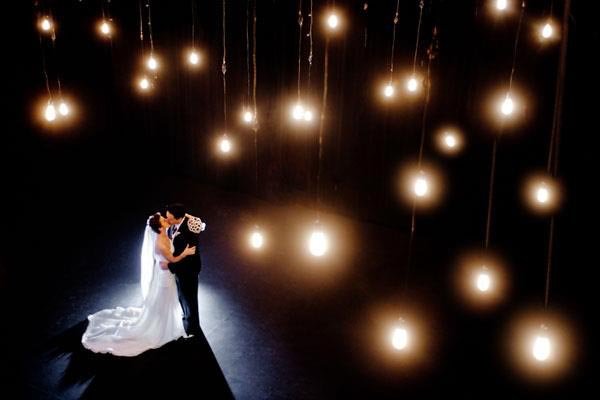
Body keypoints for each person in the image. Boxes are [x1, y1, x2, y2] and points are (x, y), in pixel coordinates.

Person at [81, 213, 196, 356]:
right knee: (165, 300)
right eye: (163, 220)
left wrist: (185, 215)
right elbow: (172, 260)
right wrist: (185, 253)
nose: (167, 220)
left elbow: (180, 222)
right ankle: (163, 328)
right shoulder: (160, 243)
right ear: (160, 227)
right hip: (165, 278)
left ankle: (167, 324)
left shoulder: (164, 234)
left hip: (166, 275)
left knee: (167, 301)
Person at [162, 203, 205, 337]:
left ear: (178, 218)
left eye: (170, 218)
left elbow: (187, 259)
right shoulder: (177, 222)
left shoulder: (189, 232)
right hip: (180, 269)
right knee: (182, 295)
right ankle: (186, 314)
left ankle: (192, 326)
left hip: (188, 270)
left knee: (190, 298)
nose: (167, 220)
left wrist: (169, 266)